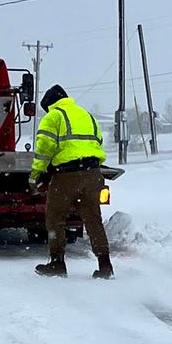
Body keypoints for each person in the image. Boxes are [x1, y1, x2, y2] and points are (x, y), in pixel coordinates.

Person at [29, 84, 113, 278]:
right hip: (93, 173)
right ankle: (105, 265)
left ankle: (57, 263)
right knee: (93, 219)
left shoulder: (54, 116)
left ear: (50, 104)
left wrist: (36, 176)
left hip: (67, 176)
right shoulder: (87, 116)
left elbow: (44, 149)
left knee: (55, 218)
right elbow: (97, 143)